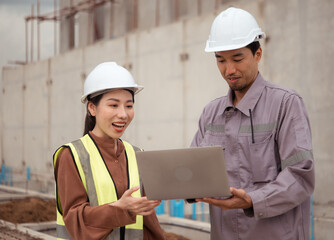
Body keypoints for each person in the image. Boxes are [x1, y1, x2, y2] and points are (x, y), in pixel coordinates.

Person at [191, 7, 315, 239]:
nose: (229, 70)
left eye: (238, 58)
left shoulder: (286, 104)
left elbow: (300, 176)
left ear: (258, 54)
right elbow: (194, 170)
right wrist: (179, 185)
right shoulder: (211, 114)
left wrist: (252, 200)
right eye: (221, 60)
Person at [53, 62, 165, 240]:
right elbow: (75, 219)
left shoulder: (136, 155)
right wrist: (119, 210)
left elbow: (148, 221)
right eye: (113, 105)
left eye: (128, 106)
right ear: (92, 108)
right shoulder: (72, 155)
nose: (123, 114)